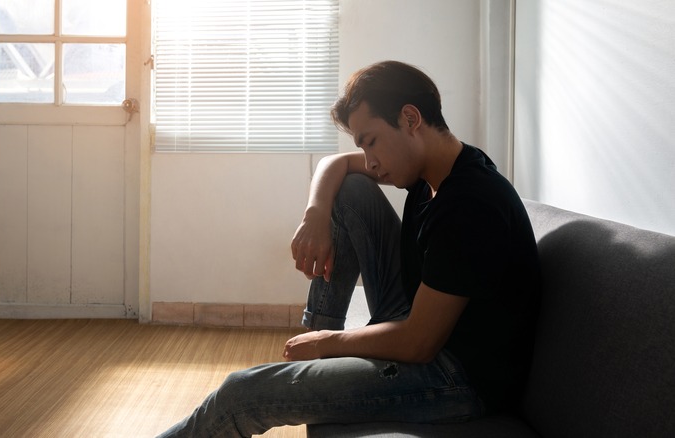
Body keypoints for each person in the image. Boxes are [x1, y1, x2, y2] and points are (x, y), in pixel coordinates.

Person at [156, 60, 541, 437]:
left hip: (456, 377)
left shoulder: (470, 204)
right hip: (424, 320)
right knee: (350, 188)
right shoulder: (440, 169)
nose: (371, 161)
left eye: (370, 141)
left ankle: (314, 354)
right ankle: (317, 335)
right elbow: (336, 163)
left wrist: (328, 345)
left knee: (241, 395)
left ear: (410, 119)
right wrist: (314, 216)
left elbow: (418, 343)